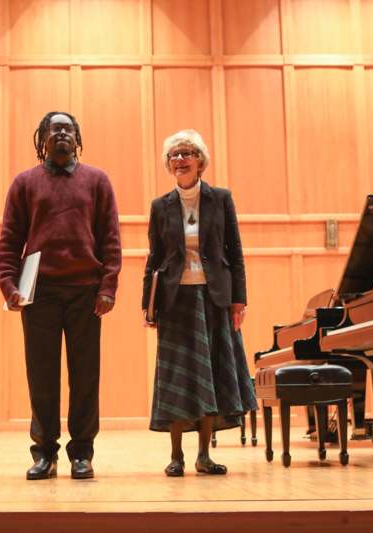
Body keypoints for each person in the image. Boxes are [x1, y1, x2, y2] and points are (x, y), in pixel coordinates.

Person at [0, 111, 122, 480]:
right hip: (40, 294)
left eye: (69, 129)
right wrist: (10, 285)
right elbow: (9, 242)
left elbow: (111, 240)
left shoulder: (98, 181)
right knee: (42, 377)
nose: (63, 133)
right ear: (42, 139)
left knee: (85, 378)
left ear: (78, 137)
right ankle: (44, 453)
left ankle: (82, 454)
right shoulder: (24, 183)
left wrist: (108, 287)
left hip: (86, 293)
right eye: (55, 129)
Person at [142, 129, 257, 477]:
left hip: (214, 298)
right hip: (175, 301)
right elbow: (154, 257)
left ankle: (204, 456)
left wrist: (239, 300)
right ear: (168, 163)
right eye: (174, 154)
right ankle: (176, 455)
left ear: (200, 161)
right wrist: (147, 305)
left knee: (210, 374)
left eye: (187, 152)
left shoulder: (220, 199)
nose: (180, 158)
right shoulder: (160, 206)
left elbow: (234, 253)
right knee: (178, 377)